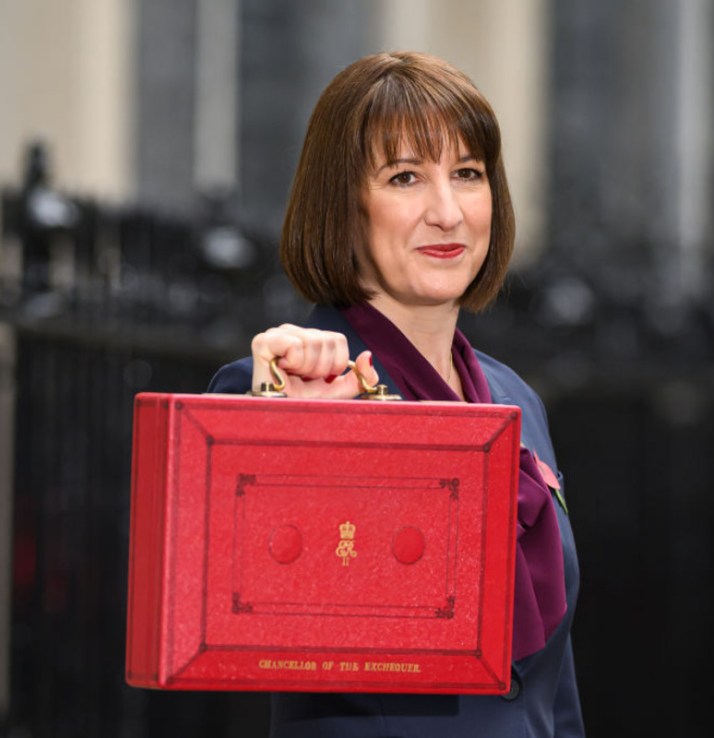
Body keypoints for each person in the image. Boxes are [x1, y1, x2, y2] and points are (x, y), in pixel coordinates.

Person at [207, 50, 583, 738]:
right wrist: (300, 437)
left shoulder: (515, 399)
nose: (446, 212)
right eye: (405, 177)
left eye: (467, 174)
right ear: (344, 207)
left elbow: (553, 694)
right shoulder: (283, 388)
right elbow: (228, 635)